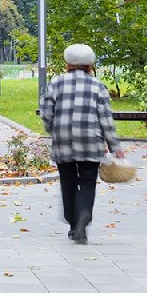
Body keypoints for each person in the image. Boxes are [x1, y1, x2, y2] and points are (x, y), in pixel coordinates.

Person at [40, 43, 125, 244]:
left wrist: (53, 130)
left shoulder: (56, 83)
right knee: (87, 181)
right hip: (91, 141)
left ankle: (72, 223)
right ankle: (84, 214)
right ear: (89, 65)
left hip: (63, 141)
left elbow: (46, 112)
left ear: (68, 63)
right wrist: (115, 147)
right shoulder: (98, 86)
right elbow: (106, 119)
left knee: (67, 182)